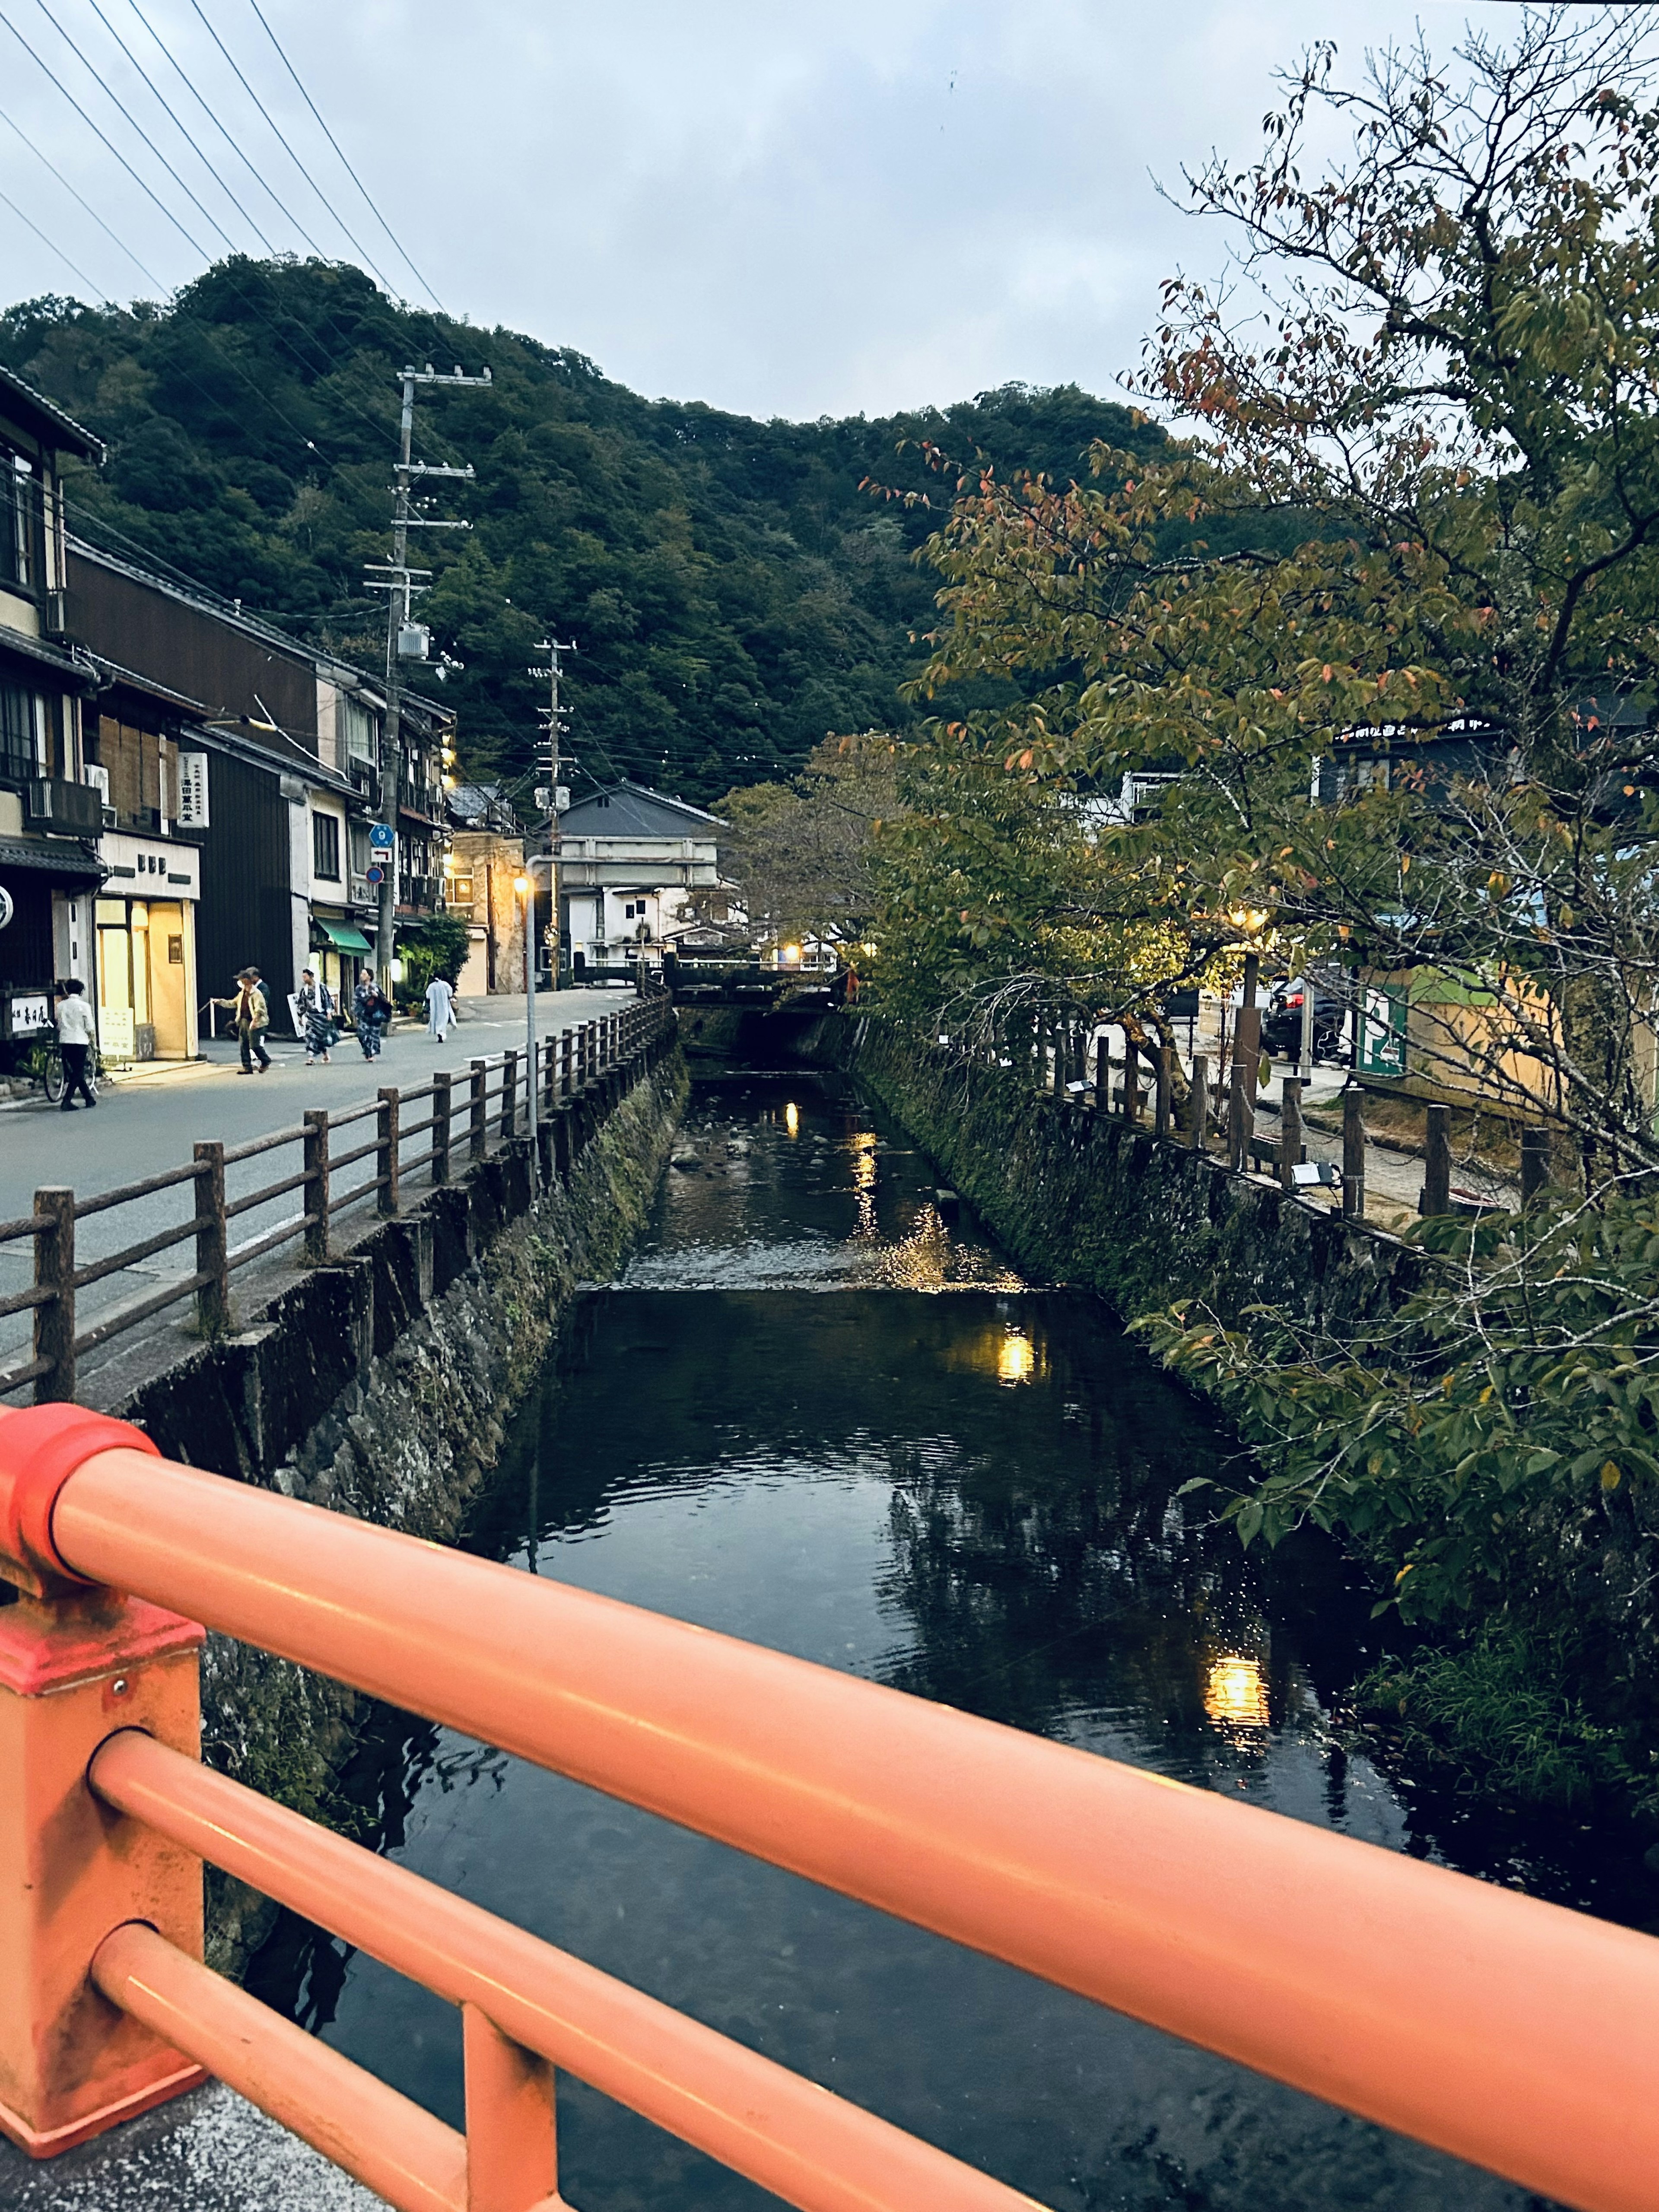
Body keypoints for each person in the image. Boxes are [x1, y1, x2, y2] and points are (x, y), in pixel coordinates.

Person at [215, 967, 271, 1074]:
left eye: (242, 980)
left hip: (255, 1021)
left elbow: (260, 1009)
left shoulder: (257, 993)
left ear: (247, 980)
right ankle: (247, 1067)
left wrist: (255, 1021)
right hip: (244, 1020)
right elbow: (233, 1003)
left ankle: (266, 1060)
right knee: (244, 1044)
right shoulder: (242, 993)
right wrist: (220, 1002)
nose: (240, 982)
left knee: (254, 1045)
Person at [54, 978, 97, 1110]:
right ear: (81, 992)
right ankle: (66, 1101)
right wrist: (94, 1044)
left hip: (66, 1040)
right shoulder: (85, 1006)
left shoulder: (61, 1006)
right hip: (80, 1041)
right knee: (78, 1072)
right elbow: (90, 1027)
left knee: (76, 1071)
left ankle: (89, 1099)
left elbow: (58, 1023)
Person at [297, 967, 334, 1066]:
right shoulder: (304, 990)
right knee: (310, 1036)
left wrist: (329, 1012)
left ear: (311, 977)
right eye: (303, 977)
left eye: (306, 977)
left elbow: (327, 1000)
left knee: (320, 1037)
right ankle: (311, 1057)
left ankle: (325, 1054)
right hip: (310, 1016)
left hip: (321, 1015)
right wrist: (300, 1016)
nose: (304, 979)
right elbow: (302, 1004)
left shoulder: (321, 987)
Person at [353, 973, 390, 1060]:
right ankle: (367, 1050)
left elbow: (384, 999)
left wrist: (377, 995)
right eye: (362, 974)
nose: (362, 976)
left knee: (374, 1035)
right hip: (364, 1015)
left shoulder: (376, 988)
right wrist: (355, 1012)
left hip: (375, 1015)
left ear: (369, 977)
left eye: (364, 974)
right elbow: (356, 1001)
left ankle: (371, 1054)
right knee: (361, 1034)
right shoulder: (359, 989)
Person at [424, 971, 455, 1042]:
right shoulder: (445, 984)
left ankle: (438, 1033)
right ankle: (442, 1033)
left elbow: (428, 996)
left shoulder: (431, 986)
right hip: (444, 1006)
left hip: (434, 1007)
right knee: (444, 1020)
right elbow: (450, 992)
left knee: (436, 1019)